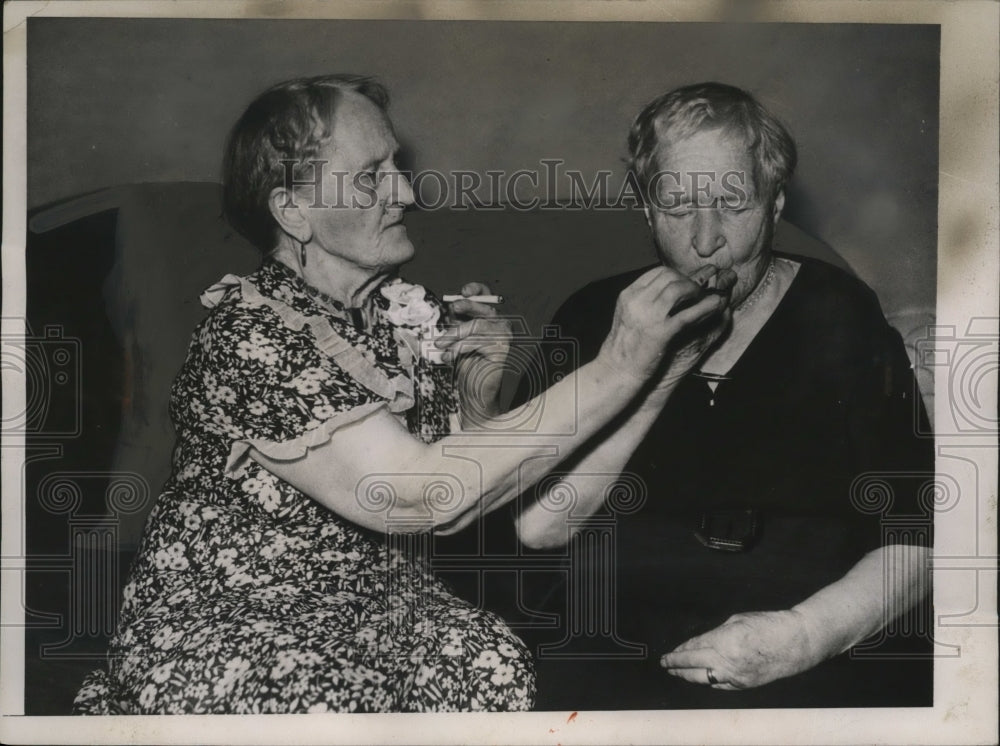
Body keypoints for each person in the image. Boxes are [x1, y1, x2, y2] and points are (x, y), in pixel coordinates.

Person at [73, 74, 734, 714]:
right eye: (372, 176)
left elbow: (456, 503)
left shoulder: (400, 322)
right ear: (293, 210)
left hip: (376, 606)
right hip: (233, 616)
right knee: (324, 693)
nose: (406, 191)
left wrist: (479, 405)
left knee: (491, 660)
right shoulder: (248, 334)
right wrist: (617, 367)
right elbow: (409, 495)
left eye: (397, 165)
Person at [511, 82, 934, 709]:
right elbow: (537, 528)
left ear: (775, 202)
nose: (706, 241)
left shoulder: (838, 310)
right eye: (677, 208)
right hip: (611, 641)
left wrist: (806, 636)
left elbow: (918, 532)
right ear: (644, 208)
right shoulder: (591, 314)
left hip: (813, 638)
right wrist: (642, 369)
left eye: (733, 204)